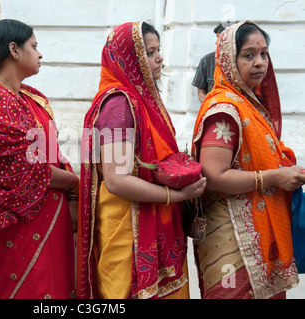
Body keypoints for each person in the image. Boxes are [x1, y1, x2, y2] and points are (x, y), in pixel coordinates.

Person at [76, 21, 207, 299]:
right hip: (128, 230)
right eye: (148, 52)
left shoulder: (145, 102)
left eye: (158, 50)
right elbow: (117, 180)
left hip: (155, 218)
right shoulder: (119, 107)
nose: (159, 58)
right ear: (126, 59)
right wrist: (177, 195)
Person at [0, 19, 79, 299]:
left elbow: (51, 157)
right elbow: (25, 169)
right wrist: (75, 183)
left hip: (51, 219)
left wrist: (72, 196)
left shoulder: (33, 98)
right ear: (14, 50)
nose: (40, 54)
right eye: (34, 46)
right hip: (14, 225)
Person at [191, 20, 304, 299]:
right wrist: (276, 177)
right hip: (231, 238)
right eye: (248, 55)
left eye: (264, 54)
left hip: (257, 233)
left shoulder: (249, 104)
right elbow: (214, 175)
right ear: (229, 59)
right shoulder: (225, 110)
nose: (259, 63)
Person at [192, 23, 225, 103]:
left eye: (220, 38)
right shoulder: (207, 61)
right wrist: (209, 106)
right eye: (217, 38)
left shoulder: (243, 63)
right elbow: (201, 92)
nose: (216, 42)